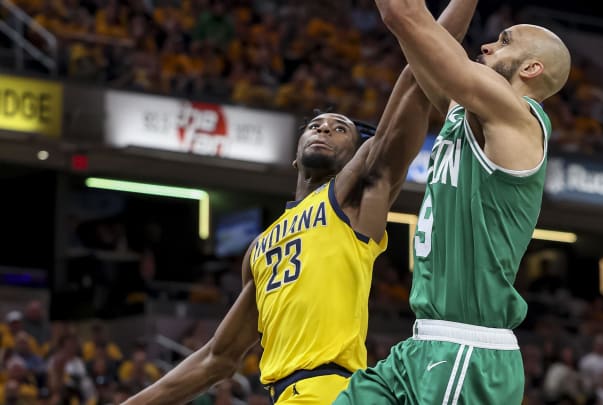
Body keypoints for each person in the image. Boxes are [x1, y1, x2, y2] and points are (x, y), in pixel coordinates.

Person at [122, 1, 478, 404]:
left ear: (357, 154)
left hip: (331, 388)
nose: (325, 126)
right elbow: (216, 360)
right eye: (315, 124)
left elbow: (418, 78)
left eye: (340, 128)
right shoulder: (260, 247)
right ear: (295, 154)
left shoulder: (356, 197)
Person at [333, 1, 571, 403]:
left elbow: (402, 15)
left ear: (531, 69)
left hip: (468, 350)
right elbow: (417, 52)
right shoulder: (468, 115)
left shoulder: (517, 118)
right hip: (420, 347)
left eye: (504, 41)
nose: (486, 47)